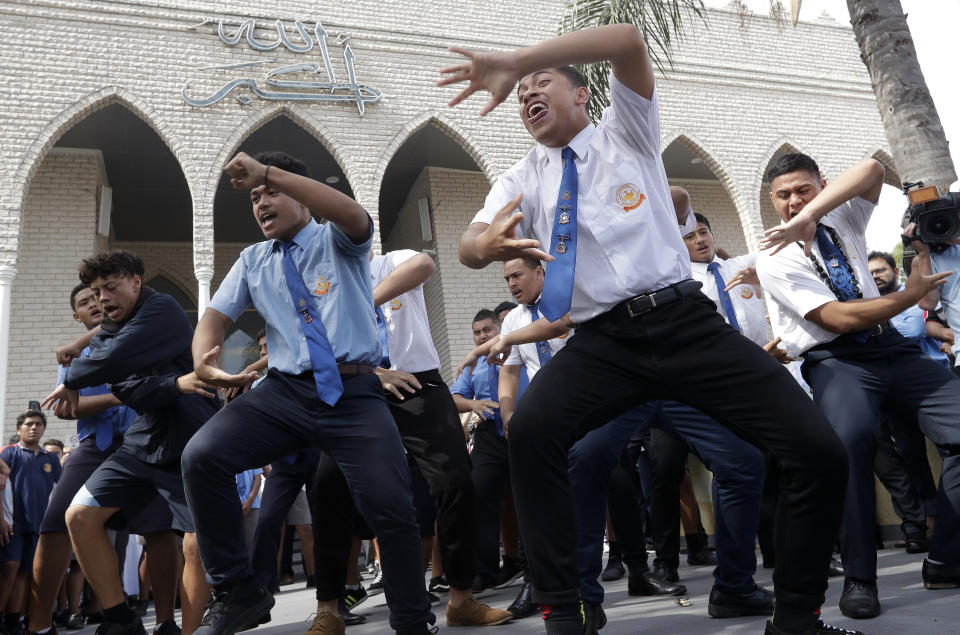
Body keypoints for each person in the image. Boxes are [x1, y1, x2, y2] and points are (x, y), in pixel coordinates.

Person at [444, 24, 853, 635]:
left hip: (686, 323)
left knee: (818, 452)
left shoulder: (628, 133)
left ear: (582, 95)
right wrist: (485, 246)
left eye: (543, 82)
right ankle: (567, 610)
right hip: (603, 342)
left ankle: (797, 617)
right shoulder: (521, 178)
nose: (528, 92)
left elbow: (630, 41)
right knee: (530, 431)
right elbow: (469, 243)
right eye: (522, 89)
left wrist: (516, 58)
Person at [183, 151, 433, 635]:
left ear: (303, 195)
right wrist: (201, 359)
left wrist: (268, 171)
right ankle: (239, 592)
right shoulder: (253, 260)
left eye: (271, 191)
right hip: (284, 393)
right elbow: (213, 319)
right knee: (202, 456)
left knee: (391, 505)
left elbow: (356, 216)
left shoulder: (338, 239)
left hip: (354, 391)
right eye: (254, 196)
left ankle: (412, 621)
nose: (261, 202)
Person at [756, 152, 960, 619]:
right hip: (838, 360)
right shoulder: (773, 258)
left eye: (803, 190)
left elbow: (872, 170)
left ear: (821, 187)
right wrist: (908, 295)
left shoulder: (841, 216)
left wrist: (812, 214)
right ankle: (859, 578)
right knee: (848, 446)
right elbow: (840, 319)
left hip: (892, 350)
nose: (793, 202)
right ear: (772, 202)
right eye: (783, 196)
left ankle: (946, 558)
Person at [41, 251, 218, 635]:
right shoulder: (111, 328)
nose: (102, 298)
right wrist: (172, 385)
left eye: (111, 287)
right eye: (96, 291)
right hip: (144, 438)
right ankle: (122, 620)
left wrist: (72, 375)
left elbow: (110, 362)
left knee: (193, 545)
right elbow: (123, 382)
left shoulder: (164, 309)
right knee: (79, 516)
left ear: (136, 282)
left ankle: (186, 630)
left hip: (189, 434)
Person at [30, 283, 182, 635]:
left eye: (98, 298)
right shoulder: (73, 360)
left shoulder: (139, 339)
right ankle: (38, 627)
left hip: (145, 444)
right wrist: (120, 397)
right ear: (77, 315)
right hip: (94, 448)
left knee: (160, 529)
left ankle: (165, 622)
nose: (94, 305)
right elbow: (68, 408)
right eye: (84, 303)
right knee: (55, 522)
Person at [0, 411, 62, 635]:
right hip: (12, 524)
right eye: (28, 424)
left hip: (38, 527)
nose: (33, 428)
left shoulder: (51, 459)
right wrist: (1, 520)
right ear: (19, 430)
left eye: (38, 424)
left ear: (44, 428)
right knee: (9, 570)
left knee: (26, 573)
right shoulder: (9, 453)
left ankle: (14, 619)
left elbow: (58, 491)